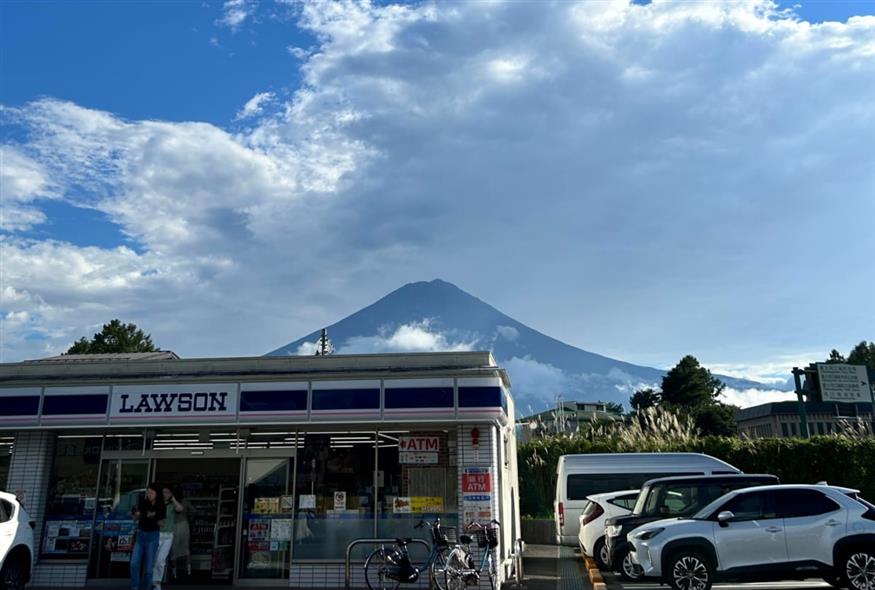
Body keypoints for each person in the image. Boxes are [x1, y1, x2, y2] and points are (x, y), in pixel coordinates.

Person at [130, 483, 166, 590]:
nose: (149, 494)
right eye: (148, 492)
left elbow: (162, 524)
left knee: (149, 569)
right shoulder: (143, 502)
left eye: (151, 492)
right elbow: (136, 518)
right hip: (140, 535)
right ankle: (135, 586)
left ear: (157, 493)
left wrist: (153, 517)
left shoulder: (160, 505)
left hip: (152, 536)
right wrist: (135, 515)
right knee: (134, 564)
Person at [152, 486, 183, 590]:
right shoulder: (157, 503)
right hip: (157, 534)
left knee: (161, 561)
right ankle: (150, 580)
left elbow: (180, 508)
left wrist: (173, 499)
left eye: (167, 492)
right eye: (163, 492)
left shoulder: (172, 505)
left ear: (171, 494)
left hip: (168, 536)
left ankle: (157, 582)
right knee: (153, 559)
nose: (165, 494)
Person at [170, 491, 194, 578]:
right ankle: (189, 570)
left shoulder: (172, 502)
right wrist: (189, 518)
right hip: (184, 524)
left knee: (173, 550)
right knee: (186, 548)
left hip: (174, 526)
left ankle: (174, 573)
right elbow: (194, 510)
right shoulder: (185, 501)